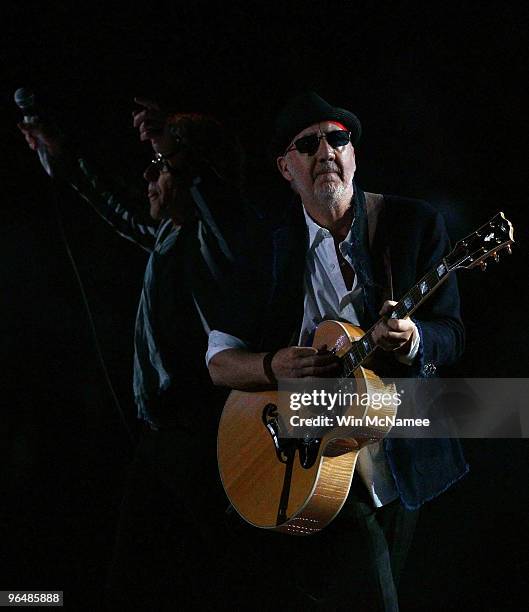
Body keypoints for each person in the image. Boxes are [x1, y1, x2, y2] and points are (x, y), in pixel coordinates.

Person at [206, 91, 468, 610]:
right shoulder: (265, 248)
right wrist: (271, 364)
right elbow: (219, 361)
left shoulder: (410, 226)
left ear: (353, 155)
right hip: (308, 452)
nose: (326, 150)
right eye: (308, 144)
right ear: (286, 167)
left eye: (338, 139)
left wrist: (414, 340)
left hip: (402, 446)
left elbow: (452, 333)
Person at [18, 99, 250, 610]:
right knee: (143, 577)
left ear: (193, 175)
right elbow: (121, 211)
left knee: (204, 576)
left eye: (161, 165)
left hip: (198, 440)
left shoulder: (215, 244)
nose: (148, 173)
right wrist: (69, 163)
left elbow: (221, 202)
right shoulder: (171, 235)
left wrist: (177, 145)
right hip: (163, 438)